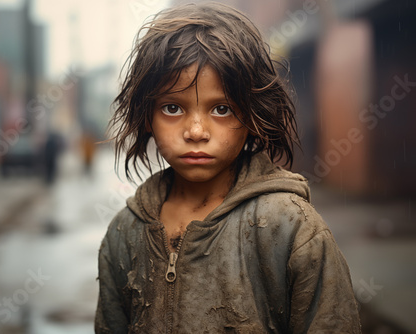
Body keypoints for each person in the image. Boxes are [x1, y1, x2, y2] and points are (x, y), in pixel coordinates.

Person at [96, 3, 361, 333]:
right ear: (147, 115)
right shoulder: (124, 234)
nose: (196, 131)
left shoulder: (290, 227)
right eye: (173, 107)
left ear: (252, 116)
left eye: (221, 109)